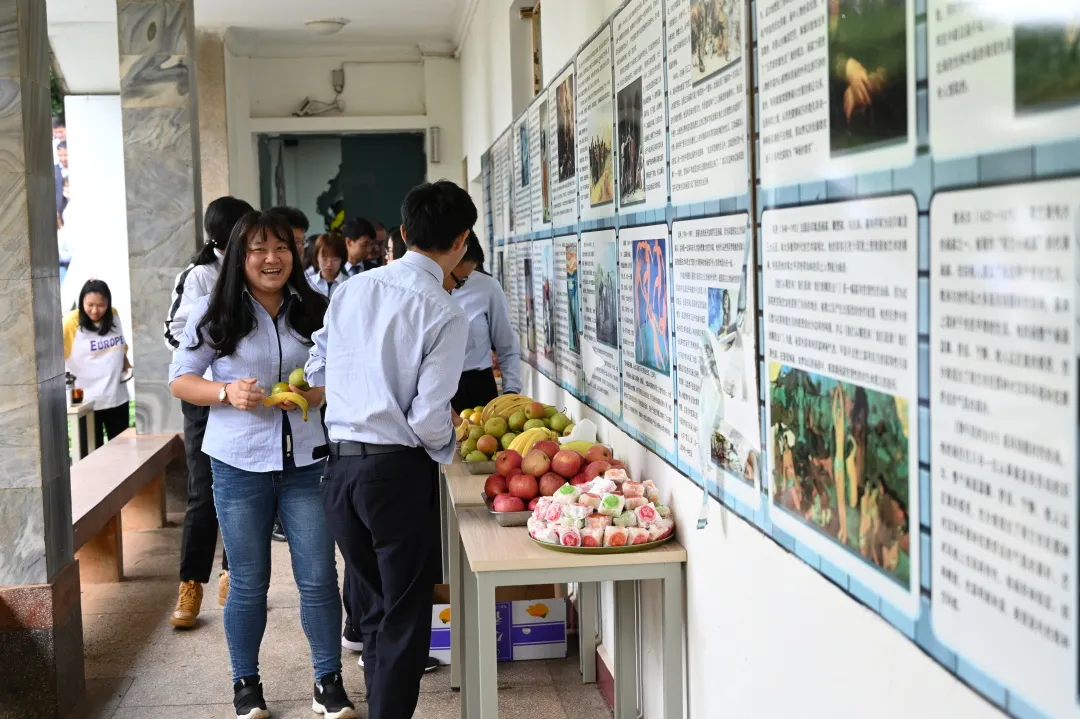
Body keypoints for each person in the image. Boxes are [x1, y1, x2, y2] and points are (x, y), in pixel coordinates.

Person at [169, 211, 355, 719]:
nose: (271, 259)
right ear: (239, 257)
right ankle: (245, 684)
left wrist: (313, 395)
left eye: (281, 249)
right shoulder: (218, 311)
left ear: (295, 255)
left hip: (307, 464)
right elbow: (182, 380)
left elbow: (345, 377)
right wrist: (225, 392)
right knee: (249, 581)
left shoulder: (317, 308)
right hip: (238, 463)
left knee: (318, 576)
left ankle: (328, 682)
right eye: (258, 250)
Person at [309, 180, 475, 719]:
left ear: (402, 234)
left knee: (374, 609)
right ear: (463, 241)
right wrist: (451, 446)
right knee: (404, 618)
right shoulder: (446, 313)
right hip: (395, 476)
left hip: (339, 471)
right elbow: (428, 418)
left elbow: (320, 367)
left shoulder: (353, 290)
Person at [164, 196, 254, 628]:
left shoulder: (254, 271)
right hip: (204, 395)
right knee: (204, 491)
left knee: (238, 488)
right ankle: (191, 582)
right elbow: (176, 331)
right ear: (223, 236)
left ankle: (230, 573)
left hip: (246, 395)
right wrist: (210, 369)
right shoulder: (199, 275)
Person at [446, 233, 522, 412]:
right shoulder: (422, 290)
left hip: (477, 387)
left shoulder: (487, 287)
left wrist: (510, 392)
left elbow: (507, 347)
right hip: (437, 389)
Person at [63, 279, 132, 447]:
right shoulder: (71, 322)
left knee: (122, 451)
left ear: (108, 302)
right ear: (82, 302)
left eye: (101, 305)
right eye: (89, 305)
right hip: (87, 402)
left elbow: (121, 345)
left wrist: (125, 363)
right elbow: (54, 356)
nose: (95, 310)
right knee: (92, 453)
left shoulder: (114, 316)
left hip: (116, 397)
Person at [307, 233, 348, 300]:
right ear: (317, 257)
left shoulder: (349, 283)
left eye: (335, 259)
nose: (329, 264)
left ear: (342, 259)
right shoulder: (308, 283)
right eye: (324, 259)